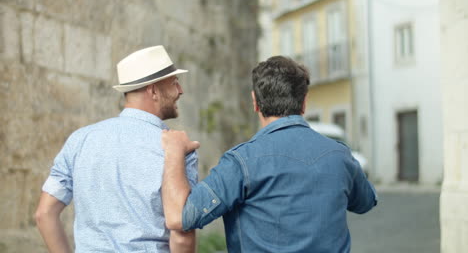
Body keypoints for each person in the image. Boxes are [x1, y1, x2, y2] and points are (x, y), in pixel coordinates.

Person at [162, 56, 378, 252]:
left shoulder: (240, 163)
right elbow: (366, 201)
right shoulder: (340, 156)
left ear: (255, 102)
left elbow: (180, 218)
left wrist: (173, 152)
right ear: (304, 102)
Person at [35, 46, 198, 253]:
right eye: (175, 83)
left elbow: (44, 213)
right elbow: (182, 234)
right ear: (154, 90)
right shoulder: (177, 148)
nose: (181, 90)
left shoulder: (80, 140)